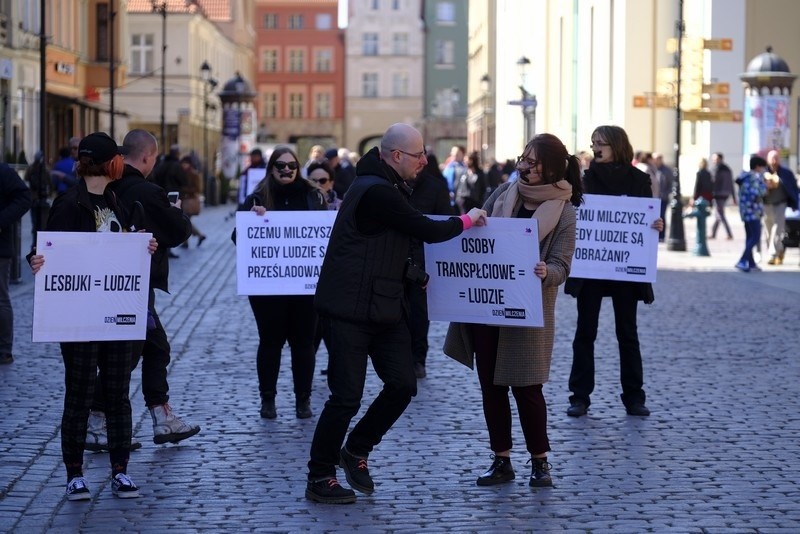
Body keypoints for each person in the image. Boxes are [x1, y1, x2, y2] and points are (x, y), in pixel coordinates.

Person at [305, 123, 487, 505]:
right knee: (345, 397)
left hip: (383, 305)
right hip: (350, 310)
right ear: (397, 156)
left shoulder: (389, 187)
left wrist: (413, 275)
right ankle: (320, 475)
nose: (425, 160)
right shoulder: (375, 191)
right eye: (419, 154)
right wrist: (468, 220)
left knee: (403, 384)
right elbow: (424, 229)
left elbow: (386, 246)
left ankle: (356, 448)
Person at [444, 133, 583, 489]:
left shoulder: (564, 211)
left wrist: (545, 272)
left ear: (551, 168)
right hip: (489, 307)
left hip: (527, 311)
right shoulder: (504, 194)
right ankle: (501, 460)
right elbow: (473, 234)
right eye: (523, 158)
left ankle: (540, 462)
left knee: (527, 388)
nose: (523, 166)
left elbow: (562, 265)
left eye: (532, 163)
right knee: (492, 387)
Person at [28, 131, 158, 500]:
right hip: (80, 317)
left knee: (117, 395)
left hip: (115, 315)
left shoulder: (120, 202)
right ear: (109, 163)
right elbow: (45, 250)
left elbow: (131, 251)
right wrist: (36, 261)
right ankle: (74, 474)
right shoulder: (69, 204)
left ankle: (120, 471)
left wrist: (145, 245)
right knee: (80, 395)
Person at [86, 129, 200, 450]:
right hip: (133, 287)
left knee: (150, 348)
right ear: (148, 157)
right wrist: (176, 213)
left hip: (104, 283)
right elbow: (178, 231)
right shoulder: (147, 191)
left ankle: (160, 417)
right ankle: (98, 421)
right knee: (130, 355)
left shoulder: (106, 189)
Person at [565, 125, 664, 418]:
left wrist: (656, 225)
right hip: (592, 267)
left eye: (601, 143)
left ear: (617, 146)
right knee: (585, 331)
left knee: (627, 333)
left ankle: (634, 396)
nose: (595, 148)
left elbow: (646, 220)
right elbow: (572, 214)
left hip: (625, 268)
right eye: (593, 142)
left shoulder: (638, 180)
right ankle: (579, 396)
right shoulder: (584, 181)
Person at [236, 146, 327, 420]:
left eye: (291, 165)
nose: (286, 169)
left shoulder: (313, 195)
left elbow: (326, 236)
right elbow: (237, 237)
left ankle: (303, 400)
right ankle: (268, 400)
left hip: (305, 286)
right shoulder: (256, 197)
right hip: (268, 287)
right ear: (271, 167)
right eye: (280, 165)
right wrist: (253, 220)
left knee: (303, 342)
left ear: (298, 167)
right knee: (270, 341)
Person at [406, 151, 452, 379]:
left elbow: (446, 223)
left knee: (419, 315)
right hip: (394, 261)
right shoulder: (391, 185)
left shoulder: (435, 187)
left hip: (423, 263)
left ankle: (417, 359)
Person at [0, 162, 32, 364]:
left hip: (0, 246)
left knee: (0, 298)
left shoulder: (4, 172)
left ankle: (3, 349)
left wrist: (1, 220)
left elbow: (24, 198)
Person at [763, 150, 800, 265]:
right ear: (768, 160)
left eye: (776, 158)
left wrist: (795, 204)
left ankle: (772, 254)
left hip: (781, 204)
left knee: (777, 229)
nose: (774, 161)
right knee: (768, 231)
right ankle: (778, 251)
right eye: (772, 158)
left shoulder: (786, 173)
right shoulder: (763, 172)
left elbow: (793, 189)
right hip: (766, 204)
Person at [735, 155, 768, 272]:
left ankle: (751, 263)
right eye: (762, 167)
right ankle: (742, 260)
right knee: (755, 236)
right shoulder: (754, 177)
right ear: (758, 166)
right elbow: (758, 192)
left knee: (749, 237)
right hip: (753, 212)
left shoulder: (744, 176)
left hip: (745, 211)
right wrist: (766, 185)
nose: (763, 169)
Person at [178, 156, 206, 247]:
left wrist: (184, 190)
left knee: (185, 221)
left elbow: (198, 188)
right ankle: (187, 241)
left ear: (189, 164)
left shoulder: (194, 174)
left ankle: (199, 235)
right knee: (186, 221)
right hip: (185, 201)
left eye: (185, 164)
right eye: (182, 164)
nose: (183, 166)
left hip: (190, 201)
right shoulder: (183, 173)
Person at [709, 152, 735, 240]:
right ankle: (713, 232)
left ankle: (729, 233)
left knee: (720, 214)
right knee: (718, 214)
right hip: (726, 194)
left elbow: (712, 183)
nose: (713, 161)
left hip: (718, 194)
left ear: (720, 159)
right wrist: (734, 197)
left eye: (715, 159)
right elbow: (732, 184)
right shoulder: (728, 169)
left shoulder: (716, 169)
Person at [652, 153, 673, 241]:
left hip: (663, 198)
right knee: (654, 217)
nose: (655, 161)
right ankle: (655, 234)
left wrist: (665, 193)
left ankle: (662, 236)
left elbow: (671, 184)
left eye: (657, 159)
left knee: (662, 216)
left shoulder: (667, 170)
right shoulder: (653, 169)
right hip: (654, 198)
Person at [442, 145, 467, 211]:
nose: (454, 156)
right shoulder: (449, 167)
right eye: (453, 154)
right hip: (450, 198)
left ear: (462, 154)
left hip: (461, 200)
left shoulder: (466, 168)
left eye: (457, 154)